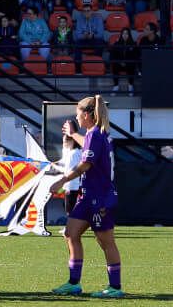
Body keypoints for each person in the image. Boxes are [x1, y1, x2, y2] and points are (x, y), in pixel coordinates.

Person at [49, 94, 123, 297]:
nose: (77, 117)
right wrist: (73, 134)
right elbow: (88, 145)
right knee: (70, 233)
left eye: (78, 114)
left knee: (105, 241)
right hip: (88, 196)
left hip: (100, 197)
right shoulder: (96, 133)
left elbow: (85, 165)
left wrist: (62, 181)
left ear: (88, 115)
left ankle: (115, 287)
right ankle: (74, 283)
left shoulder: (95, 135)